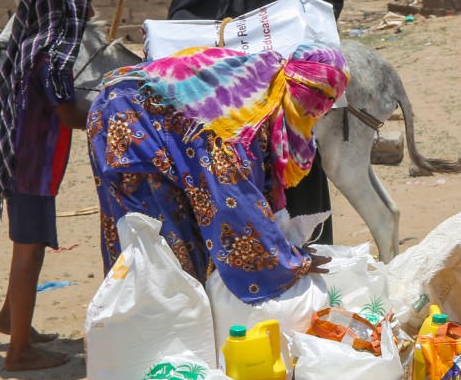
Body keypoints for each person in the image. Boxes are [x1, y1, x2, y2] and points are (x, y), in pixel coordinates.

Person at [167, 0, 344, 245]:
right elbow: (187, 6)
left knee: (300, 171)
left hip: (294, 89)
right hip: (236, 92)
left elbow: (330, 2)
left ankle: (309, 255)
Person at [86, 43, 350, 301]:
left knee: (176, 241)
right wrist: (290, 262)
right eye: (320, 97)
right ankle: (160, 331)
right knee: (157, 242)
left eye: (330, 101)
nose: (321, 109)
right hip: (129, 120)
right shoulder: (239, 116)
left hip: (143, 112)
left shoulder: (271, 83)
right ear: (300, 85)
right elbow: (230, 202)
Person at [0, 0, 96, 372]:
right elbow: (68, 115)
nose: (90, 9)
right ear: (66, 3)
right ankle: (20, 352)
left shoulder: (30, 44)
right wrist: (115, 110)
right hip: (30, 168)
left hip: (20, 161)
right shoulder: (52, 56)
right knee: (27, 255)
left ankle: (12, 320)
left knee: (32, 249)